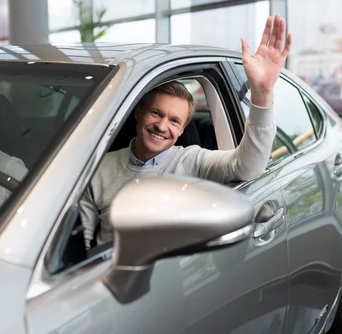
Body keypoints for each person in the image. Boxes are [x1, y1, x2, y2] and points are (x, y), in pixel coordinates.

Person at [80, 14, 292, 248]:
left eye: (174, 121)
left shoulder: (194, 162)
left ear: (182, 130)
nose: (162, 126)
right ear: (138, 112)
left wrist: (261, 93)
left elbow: (248, 166)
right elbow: (81, 245)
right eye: (156, 113)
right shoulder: (99, 170)